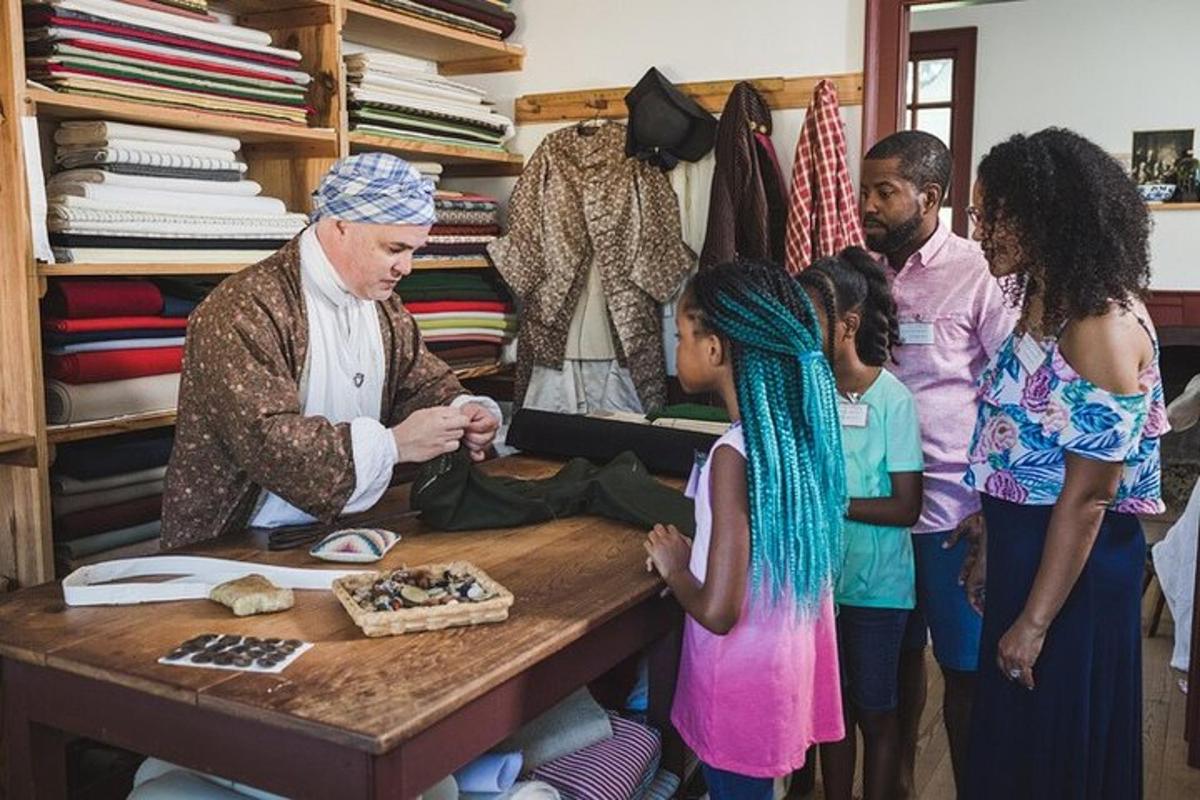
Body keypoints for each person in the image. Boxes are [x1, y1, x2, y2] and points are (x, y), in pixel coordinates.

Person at [962, 128, 1166, 799]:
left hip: (1070, 579)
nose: (979, 229)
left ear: (1046, 214)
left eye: (992, 214)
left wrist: (1035, 621)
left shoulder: (1098, 323)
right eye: (976, 214)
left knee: (1054, 751)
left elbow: (1088, 497)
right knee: (1016, 746)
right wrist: (991, 544)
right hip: (1027, 554)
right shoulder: (1043, 302)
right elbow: (1017, 443)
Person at [162, 154, 501, 547]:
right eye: (394, 249)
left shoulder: (381, 303)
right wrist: (393, 445)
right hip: (238, 543)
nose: (406, 267)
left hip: (341, 531)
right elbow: (267, 439)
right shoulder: (243, 309)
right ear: (340, 227)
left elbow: (418, 380)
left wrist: (462, 411)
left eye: (414, 251)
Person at [643, 259, 846, 800]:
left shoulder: (733, 456)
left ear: (714, 349)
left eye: (681, 335)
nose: (677, 349)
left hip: (738, 685)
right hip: (781, 672)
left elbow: (718, 610)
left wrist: (678, 567)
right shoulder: (794, 437)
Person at [858, 130, 1017, 796]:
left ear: (930, 197)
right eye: (865, 190)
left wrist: (991, 507)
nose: (867, 204)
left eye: (883, 192)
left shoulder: (980, 273)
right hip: (875, 511)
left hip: (953, 513)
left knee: (965, 674)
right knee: (890, 671)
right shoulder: (862, 274)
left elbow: (1013, 391)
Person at [797, 249, 924, 800]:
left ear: (847, 324)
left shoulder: (893, 401)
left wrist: (830, 503)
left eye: (810, 318)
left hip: (879, 589)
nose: (800, 329)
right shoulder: (809, 395)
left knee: (876, 711)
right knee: (832, 714)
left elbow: (906, 507)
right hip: (823, 586)